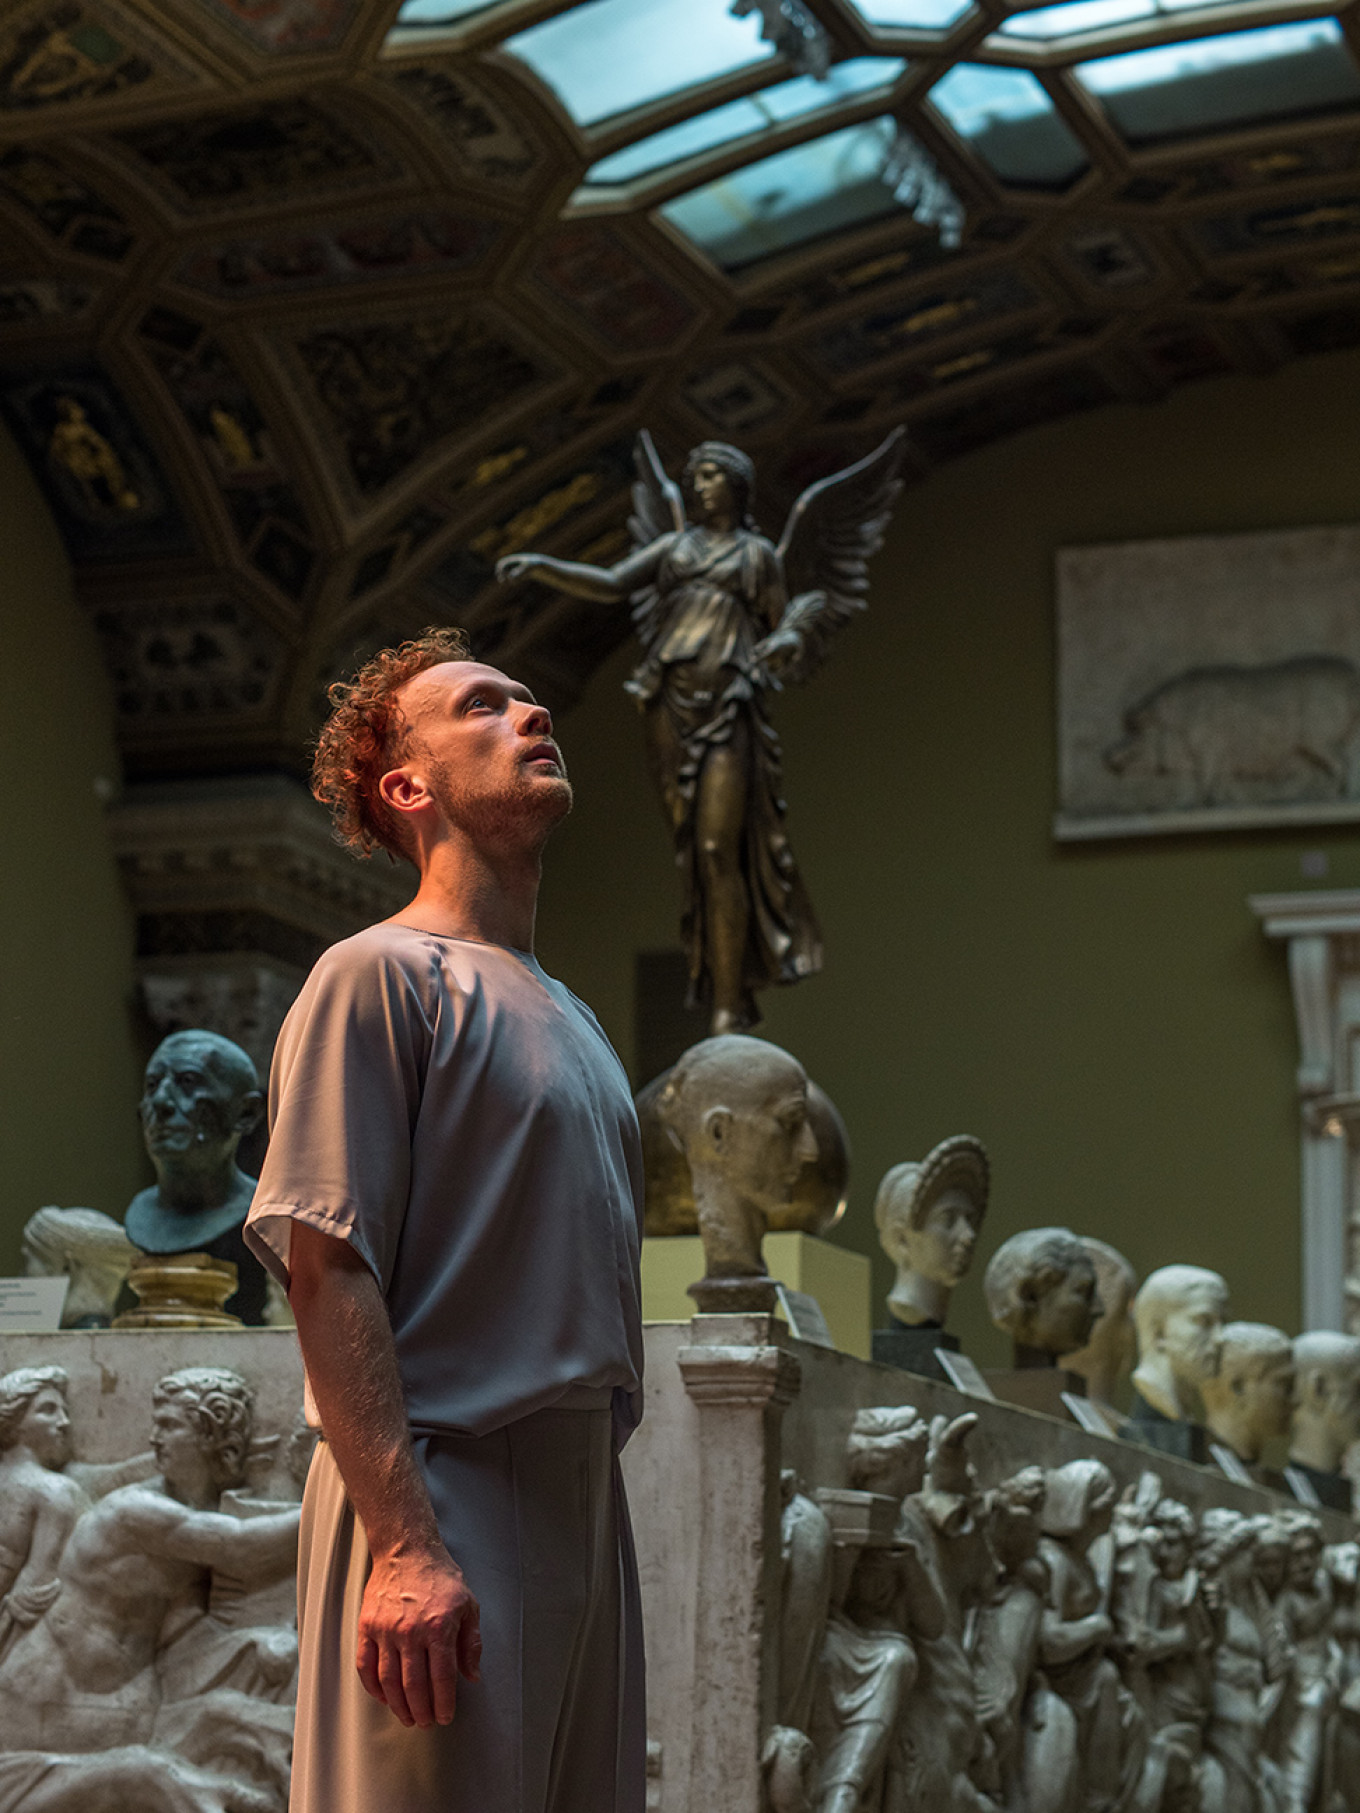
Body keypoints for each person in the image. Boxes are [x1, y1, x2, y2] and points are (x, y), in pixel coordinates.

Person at [243, 626, 646, 1813]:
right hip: (442, 1487)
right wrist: (407, 1544)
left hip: (580, 1492)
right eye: (483, 706)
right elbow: (327, 1267)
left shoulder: (573, 1014)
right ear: (407, 787)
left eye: (530, 700)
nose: (529, 716)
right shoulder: (374, 974)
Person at [125, 1031, 269, 1325]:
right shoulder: (136, 1218)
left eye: (188, 1083)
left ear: (246, 1113)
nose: (161, 1102)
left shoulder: (267, 1221)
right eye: (152, 1086)